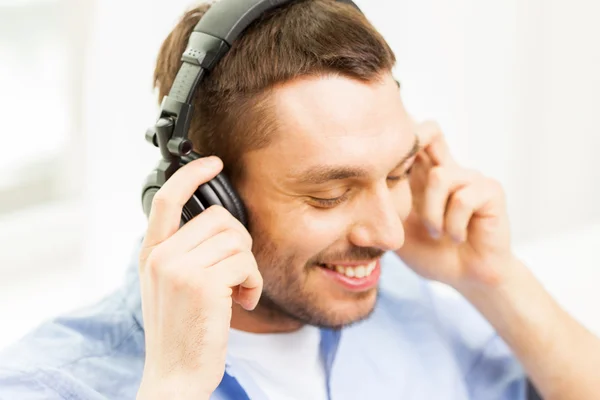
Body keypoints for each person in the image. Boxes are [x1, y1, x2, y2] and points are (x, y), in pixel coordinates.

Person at [1, 0, 599, 399]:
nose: (389, 234)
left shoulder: (412, 305)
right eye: (331, 194)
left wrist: (493, 279)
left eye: (396, 172)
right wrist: (176, 385)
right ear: (210, 200)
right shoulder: (49, 381)